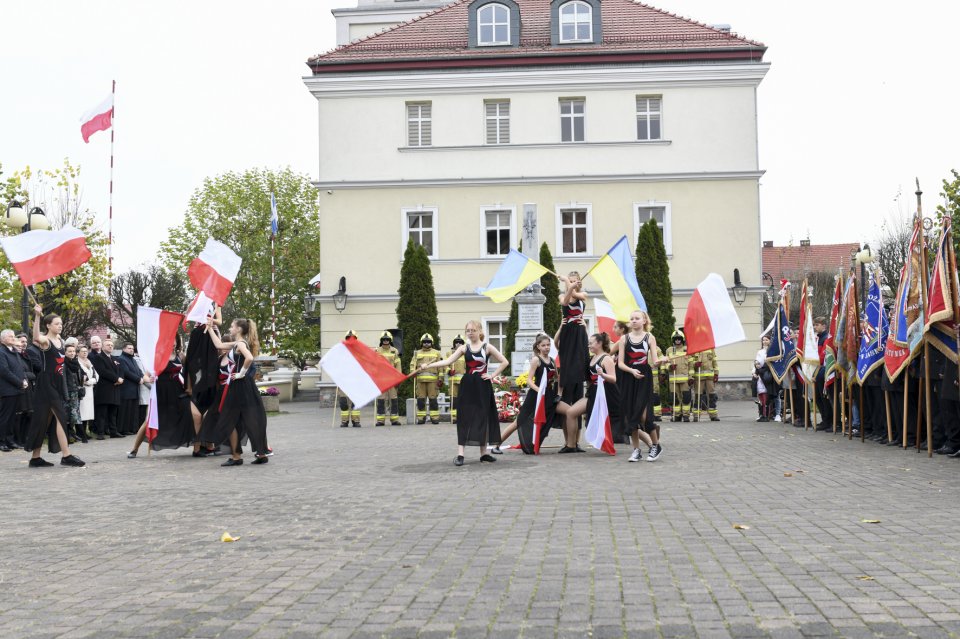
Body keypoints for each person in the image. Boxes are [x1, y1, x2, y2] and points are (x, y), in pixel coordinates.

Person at [420, 320, 508, 466]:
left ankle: (484, 454)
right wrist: (427, 365)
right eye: (468, 330)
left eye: (473, 330)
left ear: (479, 331)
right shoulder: (463, 348)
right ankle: (460, 454)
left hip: (482, 386)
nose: (470, 333)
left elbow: (504, 362)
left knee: (482, 417)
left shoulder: (487, 347)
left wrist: (492, 376)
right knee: (464, 417)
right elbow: (447, 362)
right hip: (467, 385)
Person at [204, 317, 270, 466]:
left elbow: (249, 358)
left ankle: (238, 456)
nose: (229, 329)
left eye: (232, 326)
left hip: (241, 385)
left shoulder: (240, 343)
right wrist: (209, 328)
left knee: (233, 419)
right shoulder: (237, 343)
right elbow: (218, 344)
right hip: (240, 386)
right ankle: (255, 453)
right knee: (246, 418)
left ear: (239, 329)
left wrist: (241, 373)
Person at [25, 305, 84, 467]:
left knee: (43, 420)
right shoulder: (46, 341)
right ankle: (67, 455)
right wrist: (37, 316)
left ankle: (35, 458)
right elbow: (36, 337)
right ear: (48, 325)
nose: (60, 326)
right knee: (61, 416)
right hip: (46, 383)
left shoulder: (61, 341)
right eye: (57, 323)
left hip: (57, 383)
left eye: (61, 324)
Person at [127, 335, 204, 458]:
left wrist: (189, 387)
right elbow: (145, 376)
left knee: (197, 416)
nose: (172, 343)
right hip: (160, 393)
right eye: (170, 340)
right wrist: (150, 379)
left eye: (175, 340)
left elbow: (190, 370)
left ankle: (197, 449)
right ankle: (134, 449)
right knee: (148, 422)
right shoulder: (158, 356)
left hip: (179, 392)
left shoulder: (181, 356)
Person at [494, 333, 569, 454]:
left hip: (549, 396)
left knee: (568, 412)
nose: (547, 347)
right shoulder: (536, 360)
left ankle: (570, 444)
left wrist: (559, 393)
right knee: (518, 422)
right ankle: (496, 445)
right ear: (538, 346)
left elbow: (557, 378)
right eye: (543, 345)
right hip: (535, 396)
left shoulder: (552, 361)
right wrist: (540, 391)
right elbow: (529, 380)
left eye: (548, 345)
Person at [563, 332, 623, 454]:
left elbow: (613, 379)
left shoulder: (606, 358)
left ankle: (651, 442)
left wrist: (602, 374)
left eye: (590, 343)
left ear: (599, 343)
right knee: (570, 412)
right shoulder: (592, 358)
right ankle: (571, 445)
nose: (588, 346)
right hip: (593, 393)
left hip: (606, 395)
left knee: (626, 422)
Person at [618, 311, 661, 462]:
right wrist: (631, 370)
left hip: (643, 376)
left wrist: (661, 361)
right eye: (632, 319)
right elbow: (620, 363)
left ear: (644, 321)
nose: (634, 321)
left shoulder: (650, 337)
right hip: (628, 377)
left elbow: (654, 361)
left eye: (637, 318)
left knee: (644, 416)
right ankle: (636, 450)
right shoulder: (624, 339)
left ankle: (655, 445)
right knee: (631, 415)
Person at [556, 272, 589, 406]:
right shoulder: (562, 295)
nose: (573, 283)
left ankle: (588, 386)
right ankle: (561, 392)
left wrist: (566, 281)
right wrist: (568, 284)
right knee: (566, 361)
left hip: (579, 331)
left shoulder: (583, 294)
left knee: (583, 359)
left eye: (576, 281)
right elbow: (565, 301)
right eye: (571, 281)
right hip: (568, 331)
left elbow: (577, 295)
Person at [0, 329, 27, 452]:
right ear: (2, 339)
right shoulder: (1, 352)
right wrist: (19, 382)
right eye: (10, 336)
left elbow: (20, 368)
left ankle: (10, 441)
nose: (13, 338)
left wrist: (24, 380)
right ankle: (2, 441)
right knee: (5, 417)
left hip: (17, 389)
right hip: (7, 390)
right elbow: (4, 371)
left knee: (13, 418)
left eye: (13, 336)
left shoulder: (14, 352)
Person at [90, 336, 122, 439]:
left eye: (112, 345)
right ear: (103, 346)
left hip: (115, 389)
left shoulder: (115, 358)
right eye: (108, 345)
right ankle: (100, 433)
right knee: (102, 413)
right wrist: (116, 379)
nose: (110, 346)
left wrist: (121, 378)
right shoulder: (98, 358)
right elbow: (102, 371)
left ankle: (113, 431)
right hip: (104, 389)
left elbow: (121, 370)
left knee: (113, 413)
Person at [410, 334, 442, 424]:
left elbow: (441, 367)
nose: (426, 343)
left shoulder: (437, 353)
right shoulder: (417, 353)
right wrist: (413, 372)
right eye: (425, 342)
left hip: (433, 382)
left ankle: (435, 418)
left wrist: (441, 379)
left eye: (428, 342)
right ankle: (421, 418)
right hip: (420, 381)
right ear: (422, 343)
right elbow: (412, 364)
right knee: (420, 400)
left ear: (432, 343)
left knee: (433, 400)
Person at [15, 333, 39, 449]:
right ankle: (18, 440)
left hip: (29, 389)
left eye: (25, 341)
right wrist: (28, 375)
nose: (23, 344)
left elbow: (32, 374)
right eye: (21, 341)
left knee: (29, 414)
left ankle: (25, 439)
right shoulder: (15, 356)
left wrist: (28, 375)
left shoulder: (26, 355)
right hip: (19, 390)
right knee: (19, 416)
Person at [117, 341, 145, 435]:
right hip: (126, 389)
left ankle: (131, 428)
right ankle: (123, 429)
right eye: (129, 348)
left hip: (134, 389)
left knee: (133, 411)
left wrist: (141, 377)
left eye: (132, 349)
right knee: (125, 410)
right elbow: (126, 372)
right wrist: (138, 379)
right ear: (124, 349)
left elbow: (139, 370)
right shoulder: (121, 359)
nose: (131, 350)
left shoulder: (132, 359)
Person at [664, 329, 691, 422]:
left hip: (685, 379)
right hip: (673, 379)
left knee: (686, 397)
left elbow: (691, 364)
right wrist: (669, 367)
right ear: (673, 340)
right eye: (676, 339)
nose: (677, 340)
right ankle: (676, 415)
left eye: (679, 339)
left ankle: (686, 415)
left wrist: (691, 377)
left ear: (682, 339)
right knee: (675, 398)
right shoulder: (669, 350)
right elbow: (665, 363)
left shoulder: (687, 350)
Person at [338, 330, 363, 427]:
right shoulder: (341, 351)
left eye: (353, 337)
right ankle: (344, 421)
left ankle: (356, 421)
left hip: (356, 380)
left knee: (355, 402)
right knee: (343, 402)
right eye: (349, 337)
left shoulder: (360, 351)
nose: (350, 339)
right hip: (344, 380)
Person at [63, 343, 87, 444]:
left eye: (73, 351)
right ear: (65, 352)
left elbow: (82, 373)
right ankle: (76, 435)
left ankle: (72, 435)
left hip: (76, 391)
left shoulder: (75, 362)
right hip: (68, 392)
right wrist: (65, 394)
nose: (72, 353)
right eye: (69, 351)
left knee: (74, 414)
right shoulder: (63, 363)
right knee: (71, 414)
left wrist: (84, 376)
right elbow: (63, 379)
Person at [689, 347, 719, 421]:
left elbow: (714, 362)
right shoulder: (695, 348)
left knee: (712, 395)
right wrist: (695, 364)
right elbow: (690, 362)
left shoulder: (710, 349)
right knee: (697, 396)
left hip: (710, 377)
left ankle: (713, 415)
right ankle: (696, 416)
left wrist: (716, 374)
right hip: (699, 377)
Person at [77, 345, 98, 439]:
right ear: (78, 353)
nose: (85, 353)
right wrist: (88, 381)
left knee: (88, 412)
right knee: (82, 411)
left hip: (90, 389)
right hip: (83, 389)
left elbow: (96, 375)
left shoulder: (89, 362)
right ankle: (80, 433)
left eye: (86, 351)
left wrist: (92, 381)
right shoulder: (77, 362)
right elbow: (81, 377)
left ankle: (85, 432)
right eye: (82, 351)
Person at [446, 334, 466, 424]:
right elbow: (445, 365)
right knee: (454, 399)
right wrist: (449, 371)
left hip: (463, 381)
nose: (458, 344)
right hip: (453, 380)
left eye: (460, 342)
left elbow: (469, 367)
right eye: (456, 342)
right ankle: (454, 417)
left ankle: (463, 416)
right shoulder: (449, 353)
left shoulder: (466, 353)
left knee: (463, 399)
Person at [753, 336, 772, 422]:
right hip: (760, 375)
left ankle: (767, 415)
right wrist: (755, 369)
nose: (764, 342)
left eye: (766, 340)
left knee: (767, 396)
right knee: (760, 394)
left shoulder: (772, 351)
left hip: (767, 374)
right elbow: (756, 361)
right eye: (763, 340)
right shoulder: (760, 351)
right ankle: (762, 414)